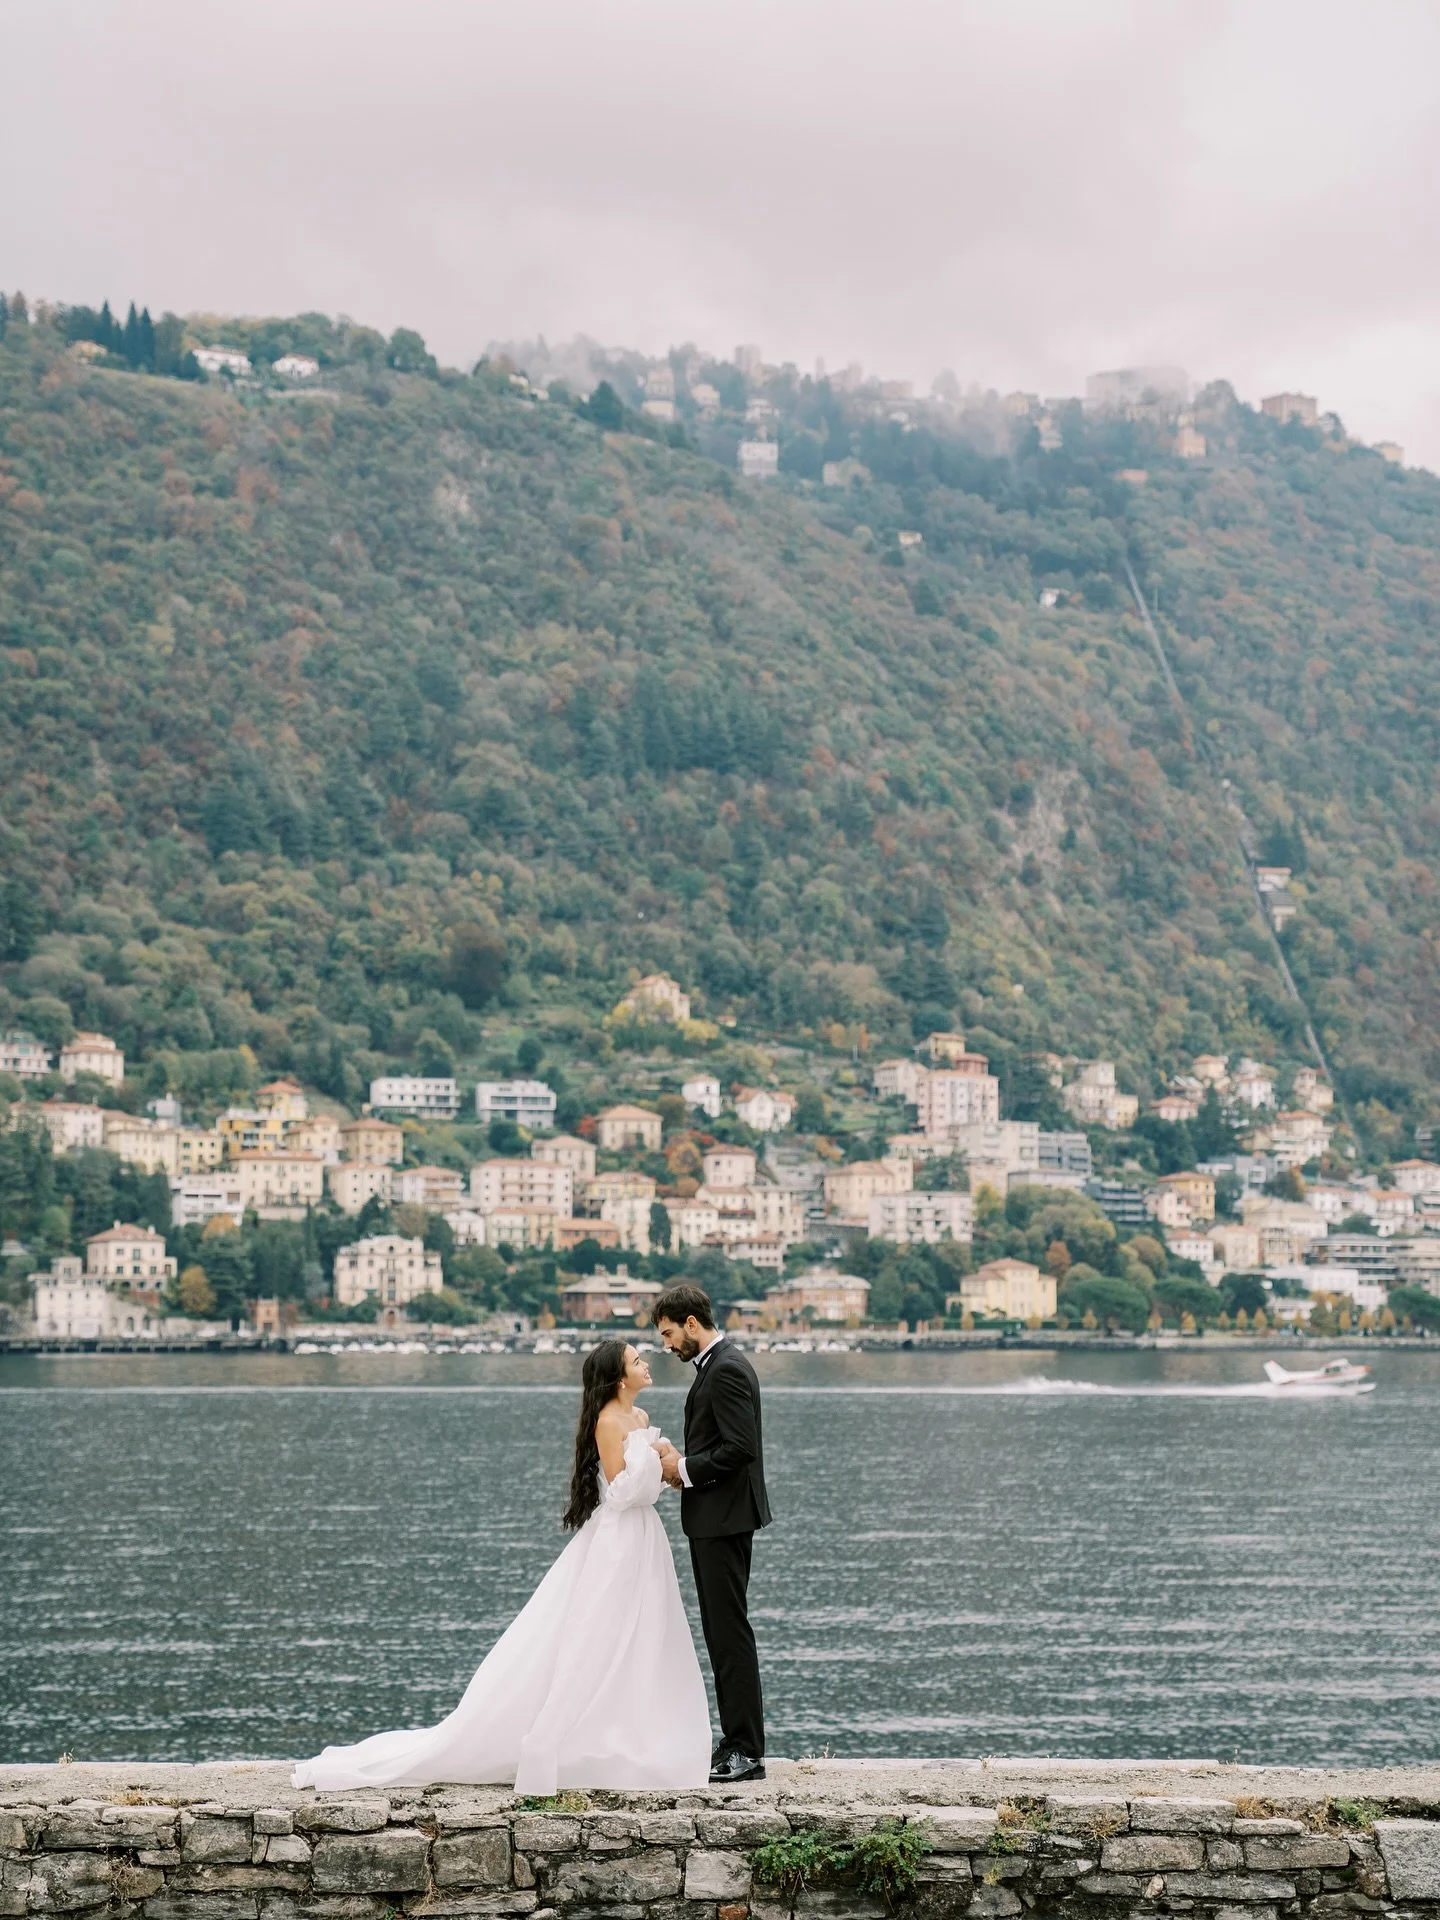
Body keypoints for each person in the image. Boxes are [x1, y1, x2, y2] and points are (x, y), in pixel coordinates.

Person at [291, 1340, 710, 1793]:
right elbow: (623, 1491)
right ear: (618, 1376)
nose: (646, 1364)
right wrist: (658, 1461)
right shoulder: (608, 1422)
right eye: (636, 1361)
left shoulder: (642, 1419)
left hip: (645, 1538)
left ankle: (632, 1734)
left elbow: (642, 1486)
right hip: (618, 1538)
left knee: (645, 1631)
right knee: (597, 1634)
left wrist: (663, 1461)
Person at [651, 1283, 772, 1784]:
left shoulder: (724, 1370)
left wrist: (687, 1469)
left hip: (723, 1519)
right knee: (723, 1632)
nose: (666, 1345)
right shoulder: (721, 1366)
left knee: (728, 1633)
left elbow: (740, 1447)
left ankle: (745, 1749)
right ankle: (736, 1743)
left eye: (669, 1333)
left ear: (692, 1324)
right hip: (719, 1517)